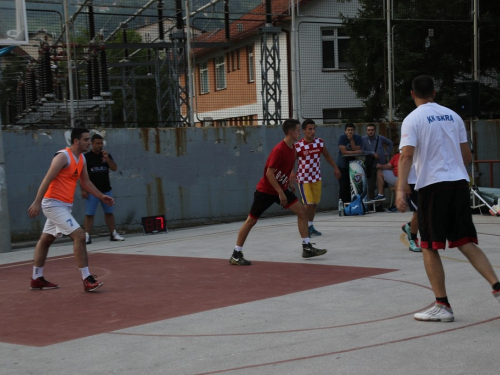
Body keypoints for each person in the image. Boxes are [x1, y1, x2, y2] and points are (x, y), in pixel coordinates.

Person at [396, 75, 500, 322]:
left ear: (412, 94)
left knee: (429, 246)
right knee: (465, 242)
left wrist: (401, 188)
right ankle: (497, 286)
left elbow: (406, 156)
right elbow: (466, 155)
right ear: (434, 92)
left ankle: (442, 305)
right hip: (459, 183)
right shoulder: (453, 116)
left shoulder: (412, 119)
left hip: (434, 186)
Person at [229, 119, 327, 266]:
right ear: (290, 132)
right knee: (251, 221)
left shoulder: (292, 148)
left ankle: (307, 247)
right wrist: (281, 192)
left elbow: (284, 169)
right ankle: (236, 254)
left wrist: (287, 182)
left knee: (302, 212)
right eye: (299, 130)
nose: (301, 132)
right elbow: (269, 173)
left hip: (280, 188)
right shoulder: (279, 149)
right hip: (266, 191)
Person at [28, 128, 114, 292]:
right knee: (80, 235)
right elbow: (47, 179)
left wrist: (101, 196)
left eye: (89, 140)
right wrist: (37, 202)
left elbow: (86, 183)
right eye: (86, 140)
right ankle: (87, 279)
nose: (89, 143)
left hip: (64, 205)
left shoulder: (81, 158)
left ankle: (36, 278)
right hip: (52, 203)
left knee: (46, 240)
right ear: (76, 141)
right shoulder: (62, 156)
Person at [295, 119, 341, 236]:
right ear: (304, 131)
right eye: (310, 129)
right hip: (304, 179)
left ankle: (310, 226)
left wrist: (335, 167)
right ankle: (303, 226)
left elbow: (327, 155)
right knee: (308, 204)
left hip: (316, 177)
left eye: (314, 128)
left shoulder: (319, 142)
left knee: (314, 204)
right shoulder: (298, 146)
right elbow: (291, 161)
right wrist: (291, 172)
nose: (313, 131)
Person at [82, 134, 124, 244]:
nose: (100, 145)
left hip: (106, 189)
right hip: (92, 191)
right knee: (89, 214)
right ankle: (87, 235)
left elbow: (114, 168)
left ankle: (113, 233)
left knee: (109, 212)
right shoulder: (86, 157)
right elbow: (81, 175)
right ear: (92, 144)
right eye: (97, 143)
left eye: (101, 143)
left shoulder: (106, 155)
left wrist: (107, 159)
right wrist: (83, 190)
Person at [377, 153, 421, 252]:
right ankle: (413, 240)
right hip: (412, 182)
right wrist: (404, 182)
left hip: (427, 180)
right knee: (419, 212)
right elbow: (403, 159)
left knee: (429, 211)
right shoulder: (408, 141)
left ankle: (409, 226)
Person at [361, 124, 393, 201]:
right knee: (371, 187)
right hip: (371, 166)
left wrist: (387, 152)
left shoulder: (380, 138)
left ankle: (379, 205)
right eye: (369, 130)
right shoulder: (363, 139)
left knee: (381, 186)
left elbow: (390, 143)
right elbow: (362, 151)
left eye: (372, 130)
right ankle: (372, 204)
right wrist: (371, 153)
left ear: (375, 131)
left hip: (381, 165)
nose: (370, 132)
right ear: (366, 131)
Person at [336, 123, 363, 203]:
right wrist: (357, 152)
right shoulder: (342, 137)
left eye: (351, 130)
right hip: (342, 165)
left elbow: (356, 149)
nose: (350, 132)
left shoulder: (357, 137)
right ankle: (343, 205)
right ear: (345, 131)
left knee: (354, 185)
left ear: (354, 131)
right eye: (348, 130)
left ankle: (353, 204)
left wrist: (351, 140)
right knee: (344, 186)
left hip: (354, 166)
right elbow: (344, 152)